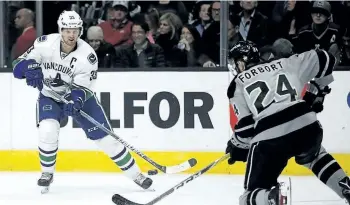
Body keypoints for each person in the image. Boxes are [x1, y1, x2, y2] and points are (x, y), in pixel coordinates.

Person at [12, 10, 153, 193]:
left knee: (106, 140)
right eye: (67, 30)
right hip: (50, 95)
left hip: (80, 99)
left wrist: (75, 99)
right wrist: (29, 69)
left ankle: (137, 176)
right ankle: (47, 173)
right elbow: (17, 66)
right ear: (60, 30)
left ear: (80, 31)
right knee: (47, 130)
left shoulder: (87, 56)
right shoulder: (44, 44)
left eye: (75, 30)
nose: (71, 35)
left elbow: (83, 87)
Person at [225, 41, 350, 205]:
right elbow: (325, 58)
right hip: (306, 125)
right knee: (316, 156)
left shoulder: (237, 83)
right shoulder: (286, 63)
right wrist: (318, 90)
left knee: (250, 197)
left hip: (271, 139)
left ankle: (271, 198)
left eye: (234, 62)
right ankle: (345, 186)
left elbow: (246, 129)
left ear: (241, 61)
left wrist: (236, 145)